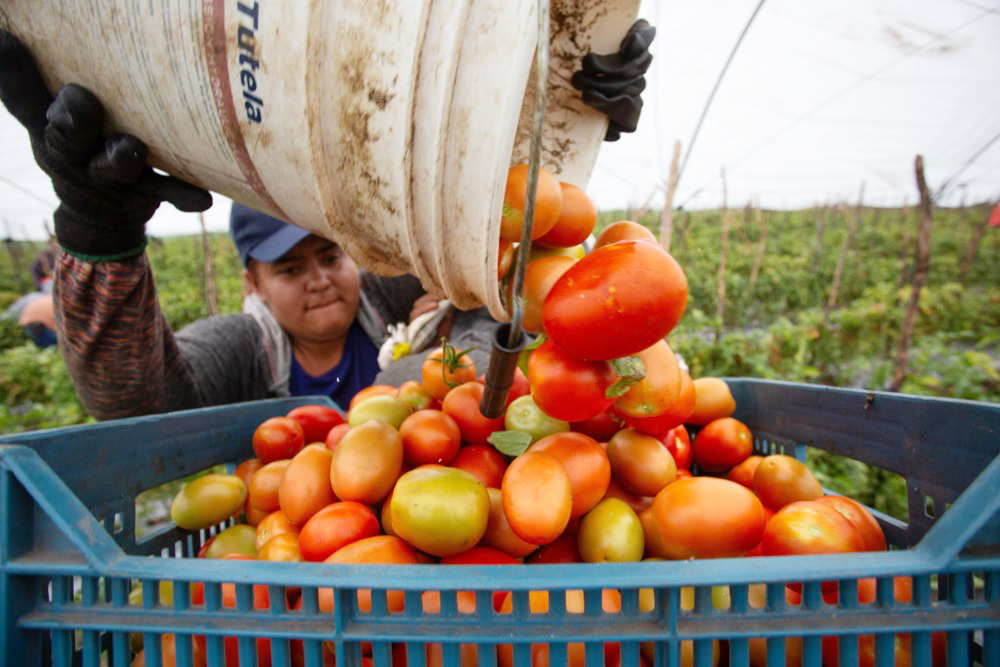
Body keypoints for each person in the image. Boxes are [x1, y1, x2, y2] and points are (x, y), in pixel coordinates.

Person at [0, 22, 654, 419]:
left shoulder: (389, 295)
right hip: (307, 573)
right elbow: (136, 402)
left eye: (328, 256)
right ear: (253, 282)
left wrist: (562, 135)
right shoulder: (243, 352)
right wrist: (98, 232)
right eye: (288, 268)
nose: (319, 280)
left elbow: (503, 275)